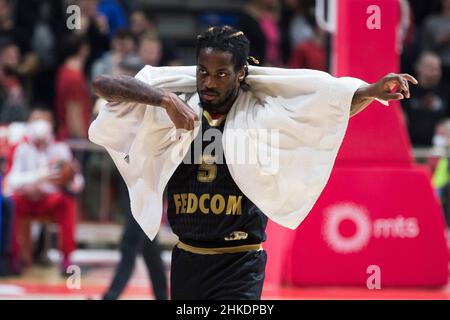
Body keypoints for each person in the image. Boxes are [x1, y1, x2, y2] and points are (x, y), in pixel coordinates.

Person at [89, 25, 417, 300]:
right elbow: (103, 84)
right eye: (203, 71)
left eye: (221, 74)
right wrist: (163, 98)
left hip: (239, 262)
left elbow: (328, 109)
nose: (209, 82)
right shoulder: (178, 104)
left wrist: (371, 92)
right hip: (187, 256)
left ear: (241, 73)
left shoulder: (260, 112)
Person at [4, 109, 84, 273]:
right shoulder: (22, 149)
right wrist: (38, 177)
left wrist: (71, 177)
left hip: (48, 200)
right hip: (26, 198)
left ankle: (67, 257)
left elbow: (78, 184)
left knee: (67, 203)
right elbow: (11, 181)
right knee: (11, 204)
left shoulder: (60, 149)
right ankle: (12, 258)